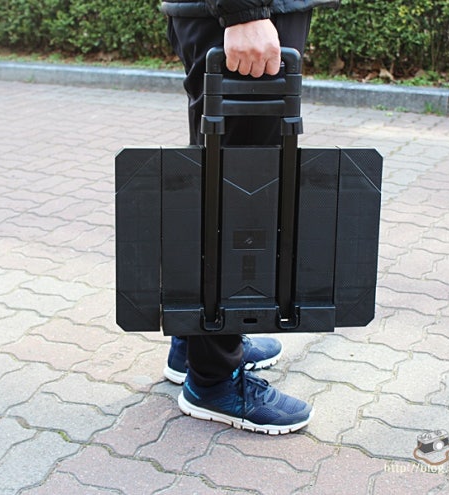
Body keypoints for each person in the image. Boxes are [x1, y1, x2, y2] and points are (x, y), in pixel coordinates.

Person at [160, 0, 338, 435]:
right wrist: (244, 12)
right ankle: (214, 381)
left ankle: (196, 344)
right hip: (246, 15)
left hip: (242, 13)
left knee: (223, 180)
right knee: (241, 197)